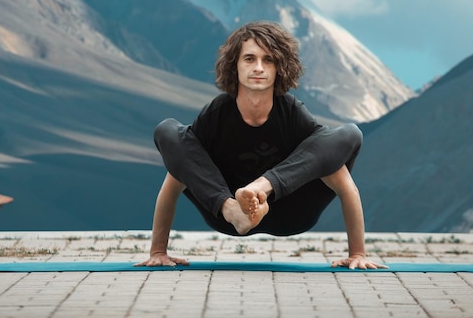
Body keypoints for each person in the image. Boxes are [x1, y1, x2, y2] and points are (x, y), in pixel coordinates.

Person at [135, 21, 386, 270]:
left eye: (268, 60)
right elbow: (179, 174)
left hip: (293, 212)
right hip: (228, 214)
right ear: (235, 65)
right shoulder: (217, 113)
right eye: (249, 59)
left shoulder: (291, 113)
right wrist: (158, 251)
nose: (258, 68)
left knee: (348, 135)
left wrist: (358, 254)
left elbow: (341, 180)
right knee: (167, 131)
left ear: (280, 67)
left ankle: (262, 187)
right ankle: (234, 207)